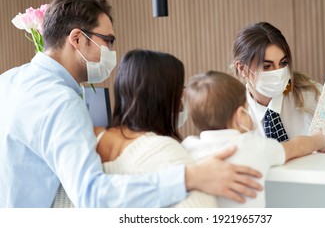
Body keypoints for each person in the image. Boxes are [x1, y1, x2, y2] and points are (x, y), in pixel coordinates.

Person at [0, 0, 262, 208]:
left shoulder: (7, 81)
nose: (113, 52)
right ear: (77, 39)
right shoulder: (62, 103)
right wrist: (188, 177)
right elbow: (91, 195)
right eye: (108, 42)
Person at [54, 49, 217, 207]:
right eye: (180, 88)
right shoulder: (164, 150)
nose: (183, 96)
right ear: (163, 97)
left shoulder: (83, 141)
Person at [182, 70, 325, 207]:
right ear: (241, 115)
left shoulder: (187, 148)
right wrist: (319, 140)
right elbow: (296, 146)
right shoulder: (254, 146)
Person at [232, 21, 325, 155]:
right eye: (267, 66)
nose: (278, 72)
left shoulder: (311, 95)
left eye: (283, 63)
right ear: (242, 68)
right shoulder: (232, 115)